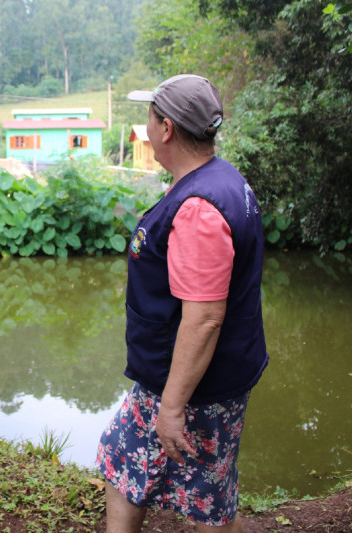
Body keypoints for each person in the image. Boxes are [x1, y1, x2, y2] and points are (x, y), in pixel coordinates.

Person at [96, 75, 268, 532]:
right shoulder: (222, 179)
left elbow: (205, 316)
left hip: (189, 384)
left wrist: (172, 406)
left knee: (139, 466)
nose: (147, 128)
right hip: (213, 376)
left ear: (167, 128)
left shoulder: (198, 209)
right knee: (195, 485)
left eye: (149, 118)